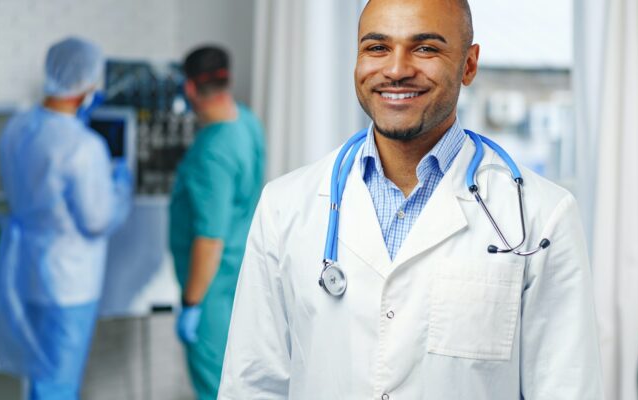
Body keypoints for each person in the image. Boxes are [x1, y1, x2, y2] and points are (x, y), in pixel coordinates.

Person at [218, 0, 603, 398]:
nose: (397, 69)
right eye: (377, 48)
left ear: (469, 64)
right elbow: (252, 383)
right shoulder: (285, 206)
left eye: (425, 48)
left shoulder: (541, 216)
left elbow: (567, 388)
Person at [0, 37, 132, 400]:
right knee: (58, 384)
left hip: (24, 270)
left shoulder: (17, 129)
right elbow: (97, 219)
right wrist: (121, 186)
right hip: (68, 282)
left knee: (39, 377)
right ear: (86, 85)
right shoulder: (83, 146)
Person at [169, 46, 265, 400]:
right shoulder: (247, 122)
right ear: (229, 79)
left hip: (212, 292)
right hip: (239, 278)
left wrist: (192, 303)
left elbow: (210, 239)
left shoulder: (212, 152)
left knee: (216, 388)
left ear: (190, 89)